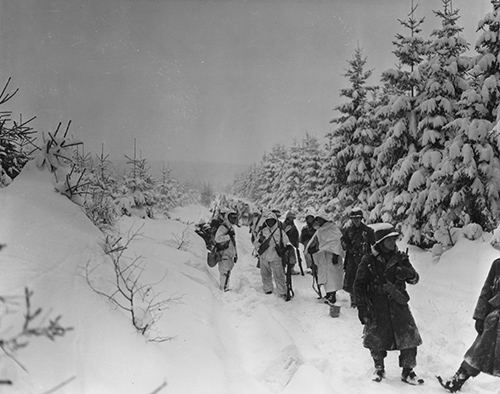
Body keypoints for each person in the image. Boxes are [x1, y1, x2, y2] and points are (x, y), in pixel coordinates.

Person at [354, 223, 423, 385]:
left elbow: (415, 279)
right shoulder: (368, 260)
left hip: (398, 304)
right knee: (377, 338)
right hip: (377, 305)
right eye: (389, 240)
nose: (393, 243)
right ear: (380, 242)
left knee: (409, 337)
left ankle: (408, 371)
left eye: (394, 239)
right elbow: (359, 285)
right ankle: (379, 367)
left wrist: (407, 273)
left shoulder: (400, 257)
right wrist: (362, 307)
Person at [437, 258, 500, 392]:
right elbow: (486, 290)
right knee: (478, 352)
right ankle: (457, 380)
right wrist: (480, 316)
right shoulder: (498, 265)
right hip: (494, 322)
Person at [306, 210, 344, 305]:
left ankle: (332, 296)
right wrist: (313, 249)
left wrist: (336, 254)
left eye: (320, 220)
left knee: (332, 277)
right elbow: (320, 242)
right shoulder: (320, 229)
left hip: (332, 256)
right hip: (324, 256)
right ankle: (328, 294)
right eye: (318, 220)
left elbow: (337, 242)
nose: (319, 222)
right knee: (326, 276)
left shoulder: (333, 228)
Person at [341, 208, 374, 307]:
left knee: (365, 279)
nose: (356, 220)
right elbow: (344, 243)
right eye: (354, 218)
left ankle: (364, 300)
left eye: (358, 218)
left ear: (361, 219)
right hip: (351, 259)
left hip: (364, 259)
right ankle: (354, 301)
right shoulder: (348, 230)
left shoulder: (367, 231)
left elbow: (374, 244)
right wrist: (347, 246)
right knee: (352, 279)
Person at [254, 210, 290, 300]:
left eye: (272, 220)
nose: (270, 222)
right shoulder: (263, 231)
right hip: (264, 256)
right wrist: (259, 241)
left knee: (279, 275)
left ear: (275, 221)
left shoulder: (280, 231)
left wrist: (286, 248)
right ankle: (268, 289)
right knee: (265, 274)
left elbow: (286, 241)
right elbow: (255, 244)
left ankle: (282, 292)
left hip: (276, 256)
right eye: (268, 220)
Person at [214, 210, 238, 292]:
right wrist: (228, 236)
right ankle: (223, 290)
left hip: (230, 254)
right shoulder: (223, 227)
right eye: (232, 217)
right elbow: (217, 239)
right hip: (223, 253)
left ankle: (225, 288)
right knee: (224, 272)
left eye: (235, 218)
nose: (233, 219)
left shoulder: (230, 228)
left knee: (228, 272)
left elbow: (233, 242)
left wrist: (235, 254)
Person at [283, 211, 303, 275]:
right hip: (286, 244)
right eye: (291, 218)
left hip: (292, 244)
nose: (292, 219)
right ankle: (284, 270)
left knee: (292, 258)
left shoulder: (292, 224)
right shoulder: (285, 225)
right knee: (286, 258)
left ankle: (291, 269)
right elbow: (283, 234)